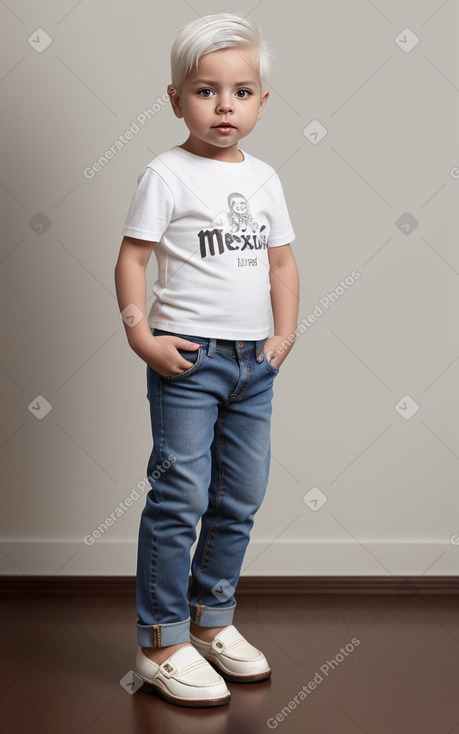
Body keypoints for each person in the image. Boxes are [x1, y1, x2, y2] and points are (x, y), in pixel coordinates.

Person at [114, 12, 299, 708]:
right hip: (187, 363)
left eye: (241, 91)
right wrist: (142, 336)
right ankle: (160, 639)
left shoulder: (265, 178)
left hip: (254, 365)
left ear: (260, 101)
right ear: (175, 99)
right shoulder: (165, 174)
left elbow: (281, 262)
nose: (224, 106)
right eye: (205, 91)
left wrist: (282, 335)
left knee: (239, 497)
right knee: (179, 495)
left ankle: (211, 620)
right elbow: (131, 261)